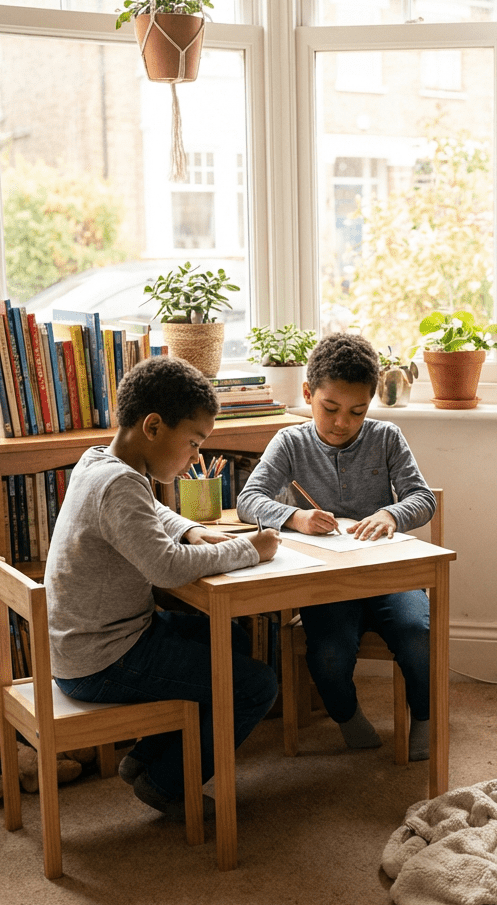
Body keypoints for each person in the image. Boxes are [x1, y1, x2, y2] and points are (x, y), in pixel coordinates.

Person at [46, 357, 282, 820]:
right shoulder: (119, 485)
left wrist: (191, 529)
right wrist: (251, 549)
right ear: (153, 426)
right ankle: (167, 783)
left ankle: (148, 758)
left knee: (230, 638)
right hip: (102, 659)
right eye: (193, 443)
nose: (196, 457)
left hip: (90, 644)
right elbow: (167, 568)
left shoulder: (99, 462)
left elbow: (150, 513)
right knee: (256, 686)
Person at [236, 332, 437, 760]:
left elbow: (423, 499)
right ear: (308, 394)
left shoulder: (386, 438)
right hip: (325, 582)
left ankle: (424, 716)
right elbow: (247, 500)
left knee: (417, 634)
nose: (342, 422)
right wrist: (296, 517)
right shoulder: (290, 442)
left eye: (357, 412)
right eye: (330, 409)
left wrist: (390, 514)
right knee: (327, 654)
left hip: (386, 573)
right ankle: (346, 716)